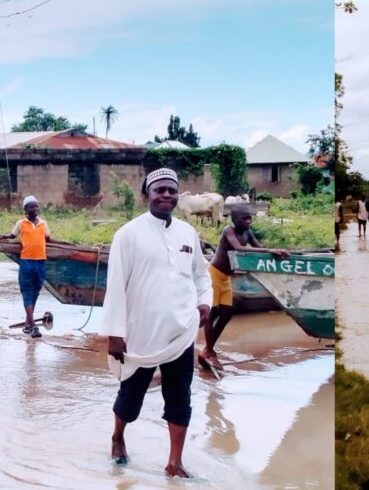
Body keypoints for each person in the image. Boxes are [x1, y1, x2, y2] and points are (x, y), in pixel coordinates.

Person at [101, 168, 211, 477]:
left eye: (171, 191)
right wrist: (115, 334)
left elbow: (201, 275)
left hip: (181, 331)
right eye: (160, 190)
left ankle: (175, 462)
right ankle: (118, 436)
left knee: (180, 397)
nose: (166, 195)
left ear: (178, 196)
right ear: (146, 194)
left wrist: (205, 302)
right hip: (141, 334)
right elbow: (116, 287)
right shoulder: (128, 234)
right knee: (130, 397)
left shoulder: (188, 233)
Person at [200, 204, 288, 371]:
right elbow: (239, 248)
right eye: (244, 218)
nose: (248, 221)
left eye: (250, 218)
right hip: (213, 274)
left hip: (226, 277)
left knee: (226, 314)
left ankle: (207, 350)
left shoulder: (248, 232)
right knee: (212, 314)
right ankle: (209, 352)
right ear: (234, 220)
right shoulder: (228, 231)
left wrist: (274, 251)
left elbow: (257, 248)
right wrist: (270, 250)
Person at [10, 195, 53, 337]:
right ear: (26, 209)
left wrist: (68, 244)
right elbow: (12, 236)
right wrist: (2, 237)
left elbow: (48, 239)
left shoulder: (43, 224)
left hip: (41, 262)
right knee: (27, 292)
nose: (35, 208)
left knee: (35, 292)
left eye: (36, 206)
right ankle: (33, 326)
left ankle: (28, 324)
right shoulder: (21, 223)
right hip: (27, 262)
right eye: (32, 206)